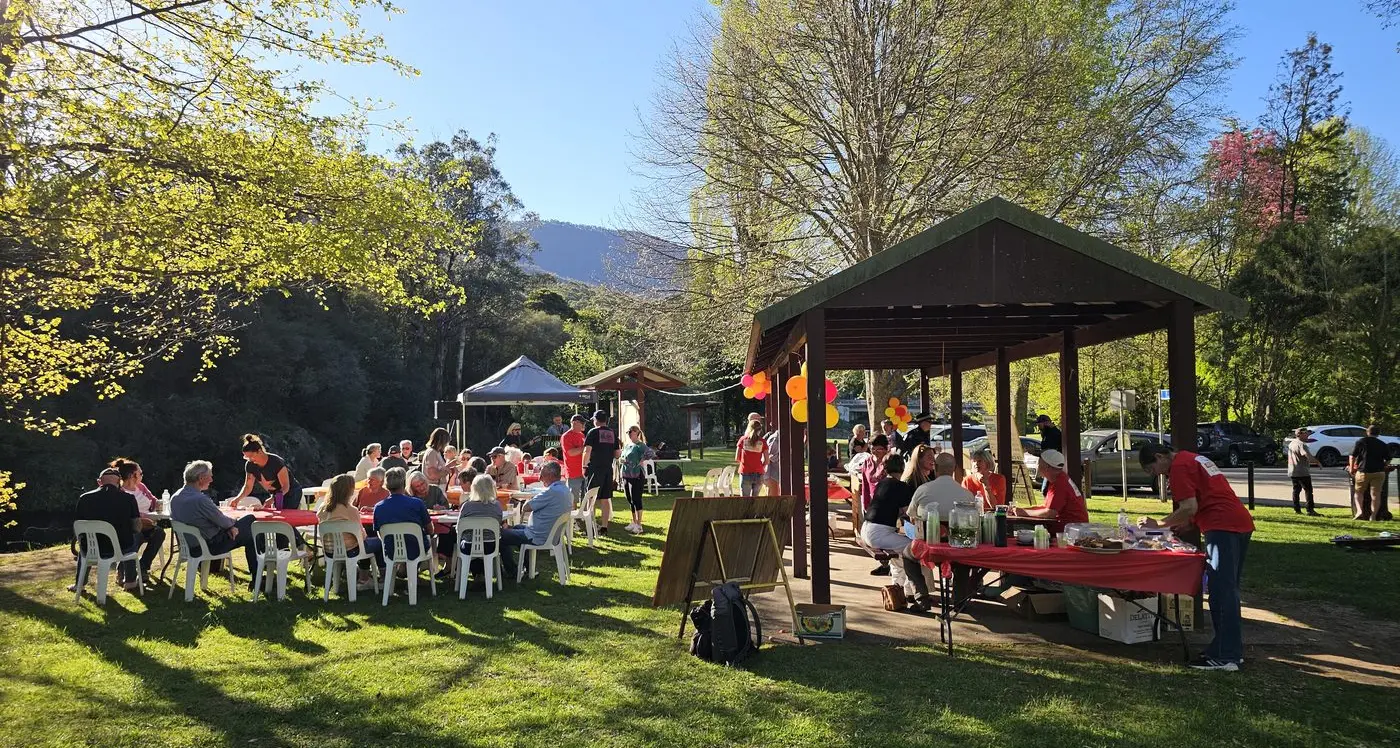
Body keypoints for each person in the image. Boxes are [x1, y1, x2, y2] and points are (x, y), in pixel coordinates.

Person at [1139, 442, 1255, 671]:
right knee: (1228, 590)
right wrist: (1188, 523)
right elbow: (1206, 497)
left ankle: (1226, 656)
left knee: (1222, 593)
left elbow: (1189, 507)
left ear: (1160, 456)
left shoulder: (1179, 468)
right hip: (1238, 523)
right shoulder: (1192, 458)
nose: (1156, 474)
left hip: (1222, 526)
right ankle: (1225, 648)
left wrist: (1159, 524)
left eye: (1152, 469)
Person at [859, 453, 934, 611]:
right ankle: (912, 592)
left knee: (900, 555)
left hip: (867, 528)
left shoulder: (882, 483)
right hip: (879, 533)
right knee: (915, 549)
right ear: (902, 467)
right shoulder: (901, 487)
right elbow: (910, 514)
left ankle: (898, 587)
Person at [170, 460, 258, 583]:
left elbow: (217, 521)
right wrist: (231, 525)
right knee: (250, 522)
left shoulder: (175, 497)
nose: (211, 480)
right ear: (201, 478)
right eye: (210, 476)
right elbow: (223, 521)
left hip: (189, 546)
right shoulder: (200, 500)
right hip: (209, 546)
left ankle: (258, 577)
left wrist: (228, 526)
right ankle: (257, 578)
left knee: (246, 532)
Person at [73, 467, 144, 592]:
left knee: (84, 546)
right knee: (134, 536)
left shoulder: (84, 498)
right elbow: (137, 527)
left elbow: (78, 528)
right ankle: (130, 581)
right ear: (119, 482)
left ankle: (79, 584)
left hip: (91, 549)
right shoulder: (128, 499)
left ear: (99, 482)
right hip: (120, 549)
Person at [499, 461, 572, 575]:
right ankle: (529, 569)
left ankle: (512, 571)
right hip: (551, 534)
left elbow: (526, 508)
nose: (539, 478)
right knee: (517, 527)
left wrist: (533, 499)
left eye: (542, 475)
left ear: (550, 476)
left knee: (499, 535)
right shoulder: (565, 490)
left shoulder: (551, 492)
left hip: (537, 535)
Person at [317, 473, 383, 586]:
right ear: (349, 491)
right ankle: (376, 578)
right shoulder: (351, 510)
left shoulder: (322, 509)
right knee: (377, 542)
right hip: (351, 550)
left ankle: (356, 576)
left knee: (364, 544)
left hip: (330, 550)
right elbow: (362, 536)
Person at [110, 458, 166, 587]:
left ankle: (142, 567)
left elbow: (153, 500)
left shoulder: (141, 487)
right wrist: (143, 518)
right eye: (140, 473)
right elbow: (128, 513)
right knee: (136, 536)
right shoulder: (120, 492)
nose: (142, 476)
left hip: (148, 524)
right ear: (131, 475)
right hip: (131, 526)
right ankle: (123, 571)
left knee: (159, 533)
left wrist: (159, 505)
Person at [372, 467, 432, 568]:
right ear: (404, 484)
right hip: (416, 549)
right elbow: (430, 529)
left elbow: (380, 534)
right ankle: (412, 572)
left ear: (386, 486)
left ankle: (403, 571)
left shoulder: (378, 507)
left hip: (392, 550)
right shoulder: (417, 503)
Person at [1010, 449, 1087, 523]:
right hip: (1069, 527)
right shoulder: (1059, 479)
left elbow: (1050, 513)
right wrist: (1021, 510)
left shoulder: (1060, 484)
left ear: (1047, 466)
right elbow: (1047, 508)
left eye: (1040, 462)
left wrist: (1023, 512)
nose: (1038, 464)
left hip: (1071, 530)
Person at [909, 453, 975, 537]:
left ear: (935, 467)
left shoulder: (923, 490)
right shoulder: (968, 495)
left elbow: (912, 517)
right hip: (958, 542)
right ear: (954, 468)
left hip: (928, 542)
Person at [457, 474, 506, 583]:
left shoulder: (467, 506)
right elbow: (498, 524)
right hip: (491, 546)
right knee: (484, 541)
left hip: (468, 547)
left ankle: (476, 575)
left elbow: (459, 529)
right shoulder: (496, 506)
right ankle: (483, 574)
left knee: (468, 540)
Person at [231, 434, 301, 510]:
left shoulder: (276, 462)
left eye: (251, 456)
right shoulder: (250, 465)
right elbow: (248, 487)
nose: (250, 459)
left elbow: (285, 487)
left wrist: (273, 499)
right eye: (246, 457)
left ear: (259, 451)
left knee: (285, 515)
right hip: (275, 494)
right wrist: (237, 499)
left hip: (291, 492)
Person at [858, 435, 893, 575]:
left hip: (888, 502)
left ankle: (890, 564)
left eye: (879, 450)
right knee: (871, 536)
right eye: (873, 449)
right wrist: (865, 503)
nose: (876, 453)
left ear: (886, 449)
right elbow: (865, 485)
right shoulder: (867, 462)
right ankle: (885, 564)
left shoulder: (890, 462)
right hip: (873, 502)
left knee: (886, 534)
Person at [582, 410, 620, 534]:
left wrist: (584, 466)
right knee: (605, 498)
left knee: (591, 497)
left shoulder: (593, 432)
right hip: (608, 469)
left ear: (596, 420)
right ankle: (604, 526)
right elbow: (618, 454)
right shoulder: (612, 433)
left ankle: (590, 525)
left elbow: (587, 451)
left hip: (595, 468)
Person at [1349, 424, 1394, 521]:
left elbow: (1352, 456)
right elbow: (1389, 459)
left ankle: (1360, 511)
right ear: (1378, 434)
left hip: (1363, 471)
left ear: (1367, 432)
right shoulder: (1383, 444)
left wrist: (1352, 468)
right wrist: (1384, 465)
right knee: (1376, 494)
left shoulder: (1361, 442)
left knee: (1358, 492)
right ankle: (1373, 516)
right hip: (1379, 472)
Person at [620, 426, 655, 534]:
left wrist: (642, 460)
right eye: (628, 432)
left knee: (636, 499)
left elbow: (651, 453)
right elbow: (623, 456)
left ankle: (639, 524)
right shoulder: (628, 445)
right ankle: (634, 521)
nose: (629, 434)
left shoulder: (640, 445)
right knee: (630, 499)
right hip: (627, 475)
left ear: (637, 433)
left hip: (636, 475)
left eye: (631, 432)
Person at [1287, 427, 1322, 516]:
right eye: (1306, 433)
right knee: (1308, 490)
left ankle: (1297, 509)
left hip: (1293, 471)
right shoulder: (1301, 444)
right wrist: (1317, 462)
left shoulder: (1292, 443)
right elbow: (1307, 455)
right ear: (1300, 434)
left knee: (1296, 490)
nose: (1307, 435)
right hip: (1302, 471)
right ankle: (1310, 510)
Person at [735, 419, 769, 497]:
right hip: (759, 473)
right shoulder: (762, 442)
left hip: (745, 472)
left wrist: (744, 463)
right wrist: (762, 466)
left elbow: (737, 458)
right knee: (755, 500)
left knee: (745, 500)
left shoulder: (743, 440)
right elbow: (767, 461)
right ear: (760, 430)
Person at [561, 414, 588, 501]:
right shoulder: (566, 436)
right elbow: (571, 453)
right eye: (582, 423)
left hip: (584, 470)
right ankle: (572, 514)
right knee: (572, 499)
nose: (584, 425)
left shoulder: (582, 435)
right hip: (573, 472)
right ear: (574, 423)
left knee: (585, 498)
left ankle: (584, 514)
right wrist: (586, 448)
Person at [421, 428, 455, 493]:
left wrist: (450, 465)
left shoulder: (436, 452)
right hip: (434, 489)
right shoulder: (432, 453)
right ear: (442, 441)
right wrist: (448, 471)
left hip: (437, 488)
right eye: (446, 442)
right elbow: (433, 475)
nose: (446, 444)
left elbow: (438, 470)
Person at [763, 426, 782, 496]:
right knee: (773, 498)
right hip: (771, 474)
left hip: (776, 473)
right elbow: (771, 456)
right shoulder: (775, 438)